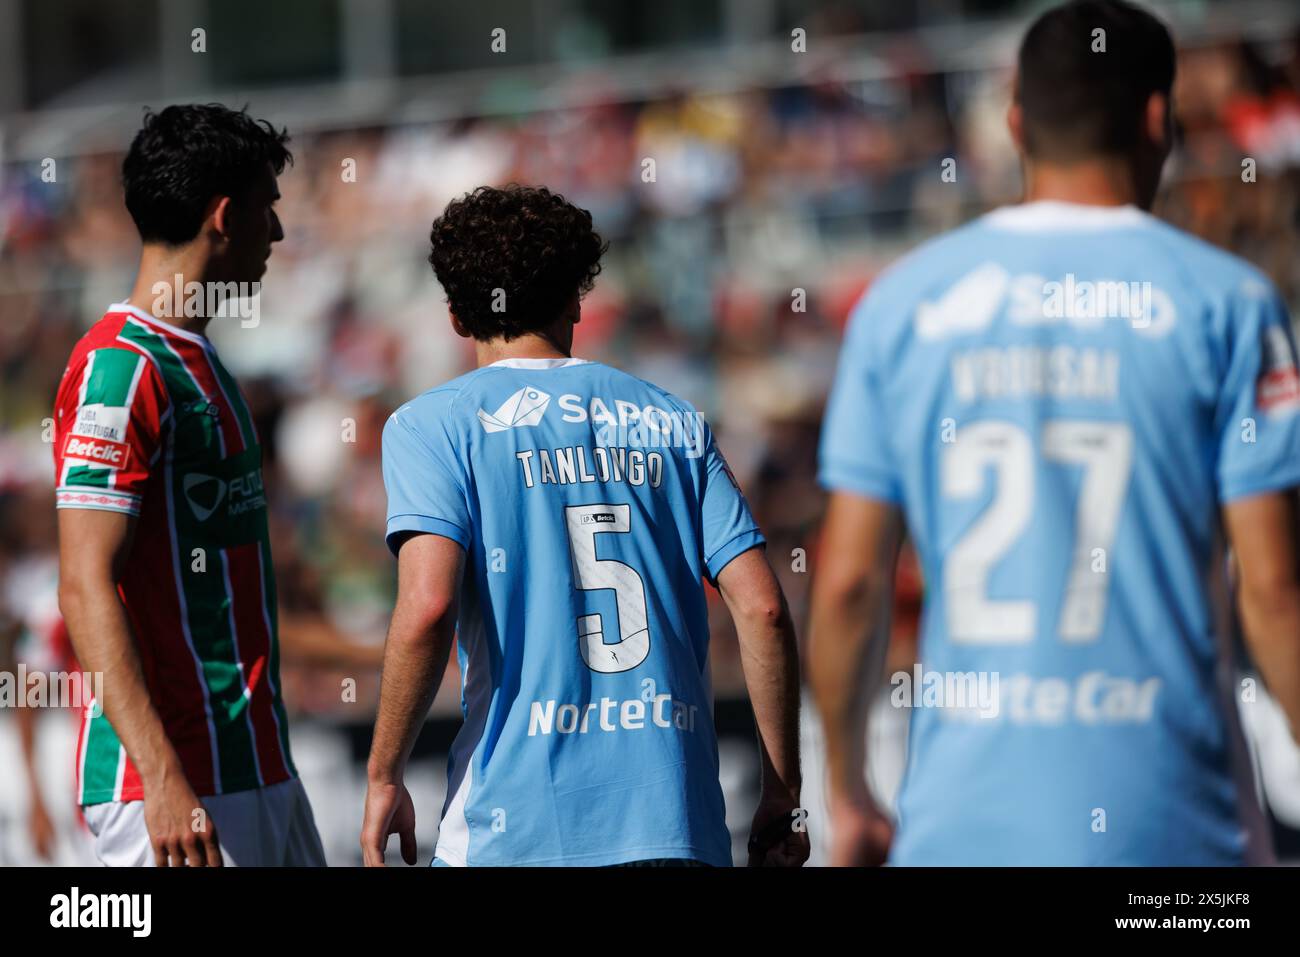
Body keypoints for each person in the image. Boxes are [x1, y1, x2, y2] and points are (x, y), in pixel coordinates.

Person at [809, 0, 1300, 865]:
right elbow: (1273, 592)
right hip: (1175, 828)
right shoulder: (1228, 302)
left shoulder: (902, 303)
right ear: (1159, 119)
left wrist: (846, 793)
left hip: (962, 828)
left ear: (1014, 123)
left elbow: (848, 582)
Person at [361, 184, 807, 867]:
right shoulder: (672, 420)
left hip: (516, 829)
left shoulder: (432, 424)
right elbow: (765, 607)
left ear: (455, 314)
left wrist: (385, 772)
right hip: (676, 824)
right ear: (577, 299)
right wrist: (784, 791)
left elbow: (427, 607)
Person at [53, 104, 325, 866]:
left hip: (260, 769)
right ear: (225, 214)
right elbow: (83, 584)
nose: (275, 234)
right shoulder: (121, 366)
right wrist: (162, 775)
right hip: (178, 794)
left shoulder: (204, 360)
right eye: (268, 207)